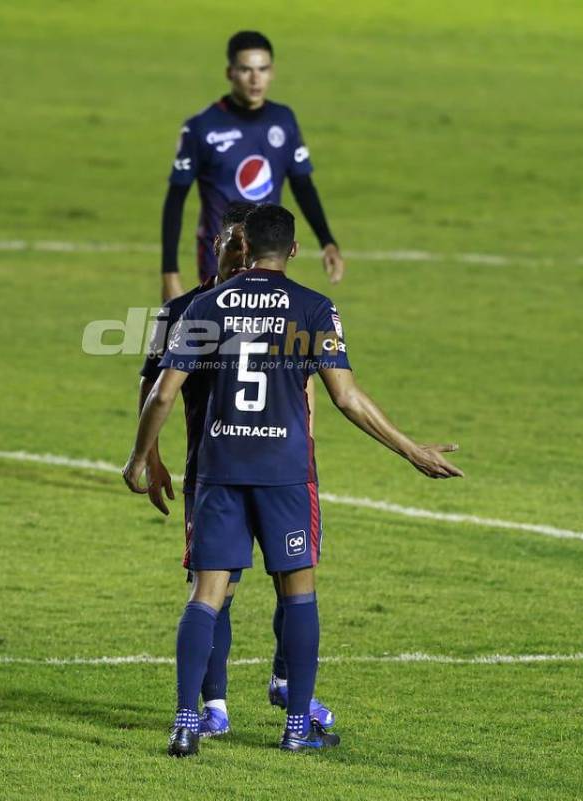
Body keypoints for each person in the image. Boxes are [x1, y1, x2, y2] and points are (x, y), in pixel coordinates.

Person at [124, 204, 461, 756]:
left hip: (218, 470)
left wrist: (139, 457)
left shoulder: (204, 306)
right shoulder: (314, 308)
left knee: (206, 596)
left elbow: (162, 392)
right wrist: (411, 449)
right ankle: (296, 728)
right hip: (285, 472)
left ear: (245, 244)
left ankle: (188, 723)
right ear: (294, 250)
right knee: (298, 596)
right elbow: (345, 396)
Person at [138, 202, 335, 739]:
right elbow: (150, 387)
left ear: (249, 248)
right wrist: (151, 457)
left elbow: (306, 388)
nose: (233, 252)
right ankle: (215, 707)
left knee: (269, 585)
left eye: (238, 245)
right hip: (210, 467)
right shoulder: (179, 310)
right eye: (226, 245)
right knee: (220, 589)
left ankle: (284, 684)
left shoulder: (209, 308)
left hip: (262, 464)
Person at [160, 30, 345, 302]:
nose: (255, 79)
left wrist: (327, 241)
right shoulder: (202, 127)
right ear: (230, 73)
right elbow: (175, 200)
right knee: (221, 340)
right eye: (246, 69)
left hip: (269, 258)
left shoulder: (284, 120)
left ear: (272, 71)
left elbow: (303, 185)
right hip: (223, 261)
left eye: (262, 69)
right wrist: (170, 273)